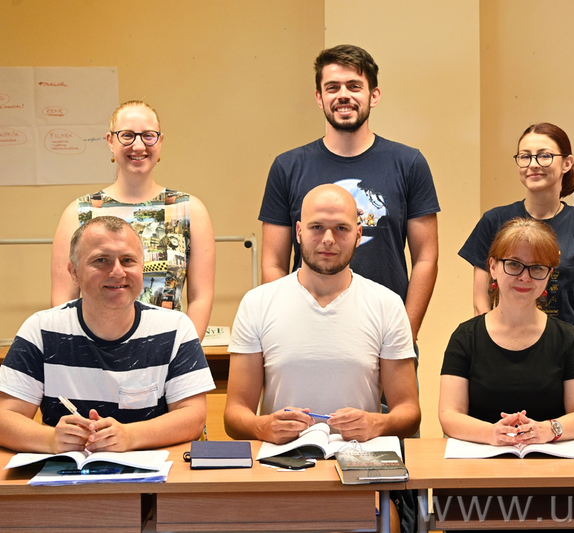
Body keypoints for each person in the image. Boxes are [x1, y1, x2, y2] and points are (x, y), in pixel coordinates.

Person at [258, 44, 439, 344]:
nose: (343, 95)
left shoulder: (409, 164)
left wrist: (405, 333)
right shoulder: (287, 167)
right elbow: (273, 263)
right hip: (304, 333)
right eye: (332, 87)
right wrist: (282, 328)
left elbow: (426, 258)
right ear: (319, 97)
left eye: (354, 86)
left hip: (385, 333)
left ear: (374, 95)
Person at [0, 216, 215, 453]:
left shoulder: (175, 328)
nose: (117, 271)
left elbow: (193, 416)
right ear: (74, 272)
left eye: (128, 260)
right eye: (101, 260)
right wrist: (50, 440)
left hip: (153, 472)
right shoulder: (41, 329)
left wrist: (130, 436)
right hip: (67, 473)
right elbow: (5, 417)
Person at [225, 184, 420, 443]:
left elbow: (409, 412)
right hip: (281, 462)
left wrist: (377, 423)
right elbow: (235, 413)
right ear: (298, 232)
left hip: (358, 462)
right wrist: (262, 427)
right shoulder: (257, 303)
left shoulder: (387, 305)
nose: (328, 238)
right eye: (317, 227)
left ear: (358, 235)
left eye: (341, 228)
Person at [51, 100, 215, 340]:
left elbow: (201, 297)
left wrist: (183, 351)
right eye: (127, 135)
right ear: (110, 141)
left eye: (148, 136)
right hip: (94, 352)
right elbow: (63, 302)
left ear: (160, 141)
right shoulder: (80, 213)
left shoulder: (189, 210)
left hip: (168, 351)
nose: (138, 146)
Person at [459, 123, 574, 359]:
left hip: (561, 355)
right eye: (525, 156)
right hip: (502, 352)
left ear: (567, 163)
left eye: (544, 155)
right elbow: (481, 302)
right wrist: (491, 357)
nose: (533, 164)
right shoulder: (494, 220)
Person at [440, 218, 574, 447]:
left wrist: (548, 429)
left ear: (549, 274)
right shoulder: (465, 337)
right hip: (480, 461)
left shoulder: (567, 338)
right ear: (493, 267)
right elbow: (449, 415)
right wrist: (492, 433)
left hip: (549, 462)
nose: (525, 277)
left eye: (537, 268)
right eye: (514, 264)